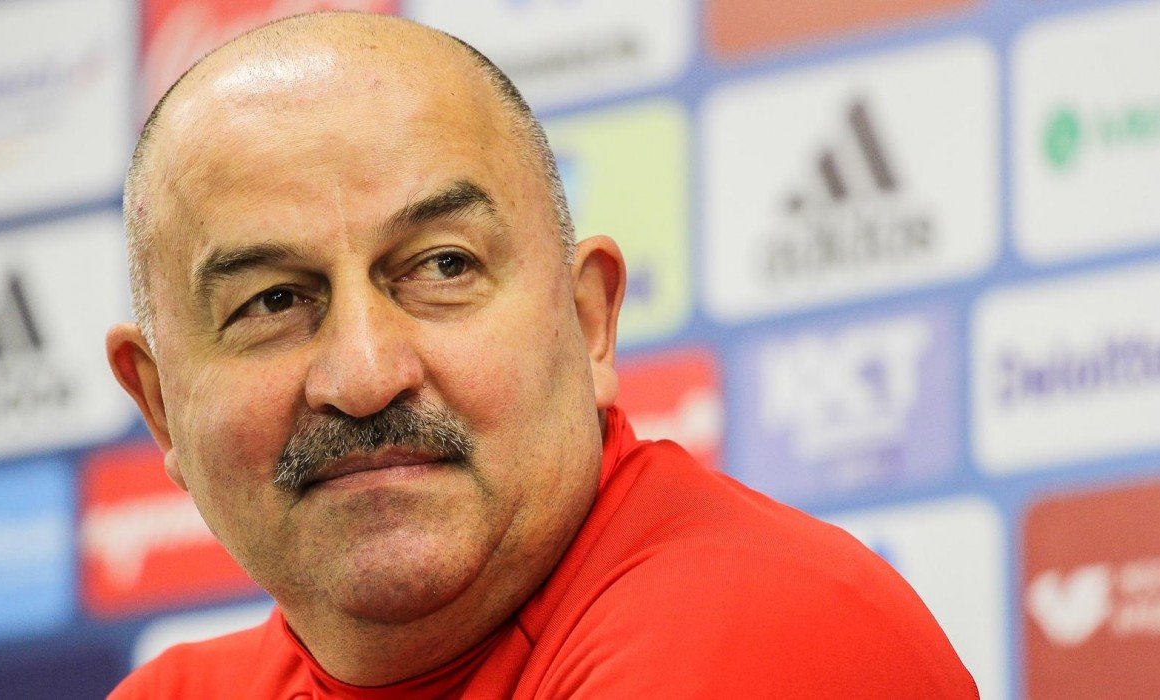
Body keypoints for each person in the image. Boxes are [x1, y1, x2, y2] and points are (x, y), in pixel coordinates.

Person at [105, 11, 977, 699]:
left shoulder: (755, 623)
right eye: (272, 302)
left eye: (442, 267)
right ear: (161, 407)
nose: (364, 377)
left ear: (589, 320)